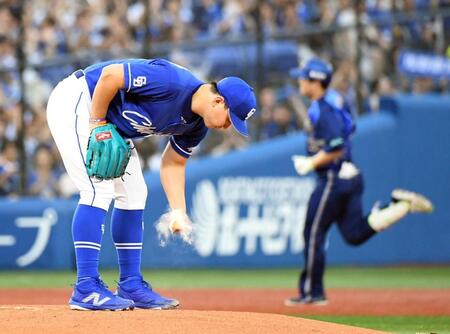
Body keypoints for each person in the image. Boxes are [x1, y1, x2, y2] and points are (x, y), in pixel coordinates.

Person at [46, 58, 257, 311]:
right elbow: (110, 77)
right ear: (218, 101)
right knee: (97, 189)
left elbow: (174, 163)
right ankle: (86, 287)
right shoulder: (171, 81)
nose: (228, 126)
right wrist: (98, 125)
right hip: (80, 100)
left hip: (109, 123)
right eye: (230, 118)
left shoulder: (196, 126)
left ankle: (130, 284)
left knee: (135, 192)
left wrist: (178, 211)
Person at [284, 57, 433, 306]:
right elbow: (349, 128)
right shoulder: (333, 103)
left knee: (313, 233)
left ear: (316, 82)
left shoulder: (324, 108)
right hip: (350, 176)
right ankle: (399, 207)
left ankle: (313, 292)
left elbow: (337, 145)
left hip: (334, 177)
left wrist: (312, 162)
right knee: (353, 234)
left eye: (304, 77)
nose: (299, 80)